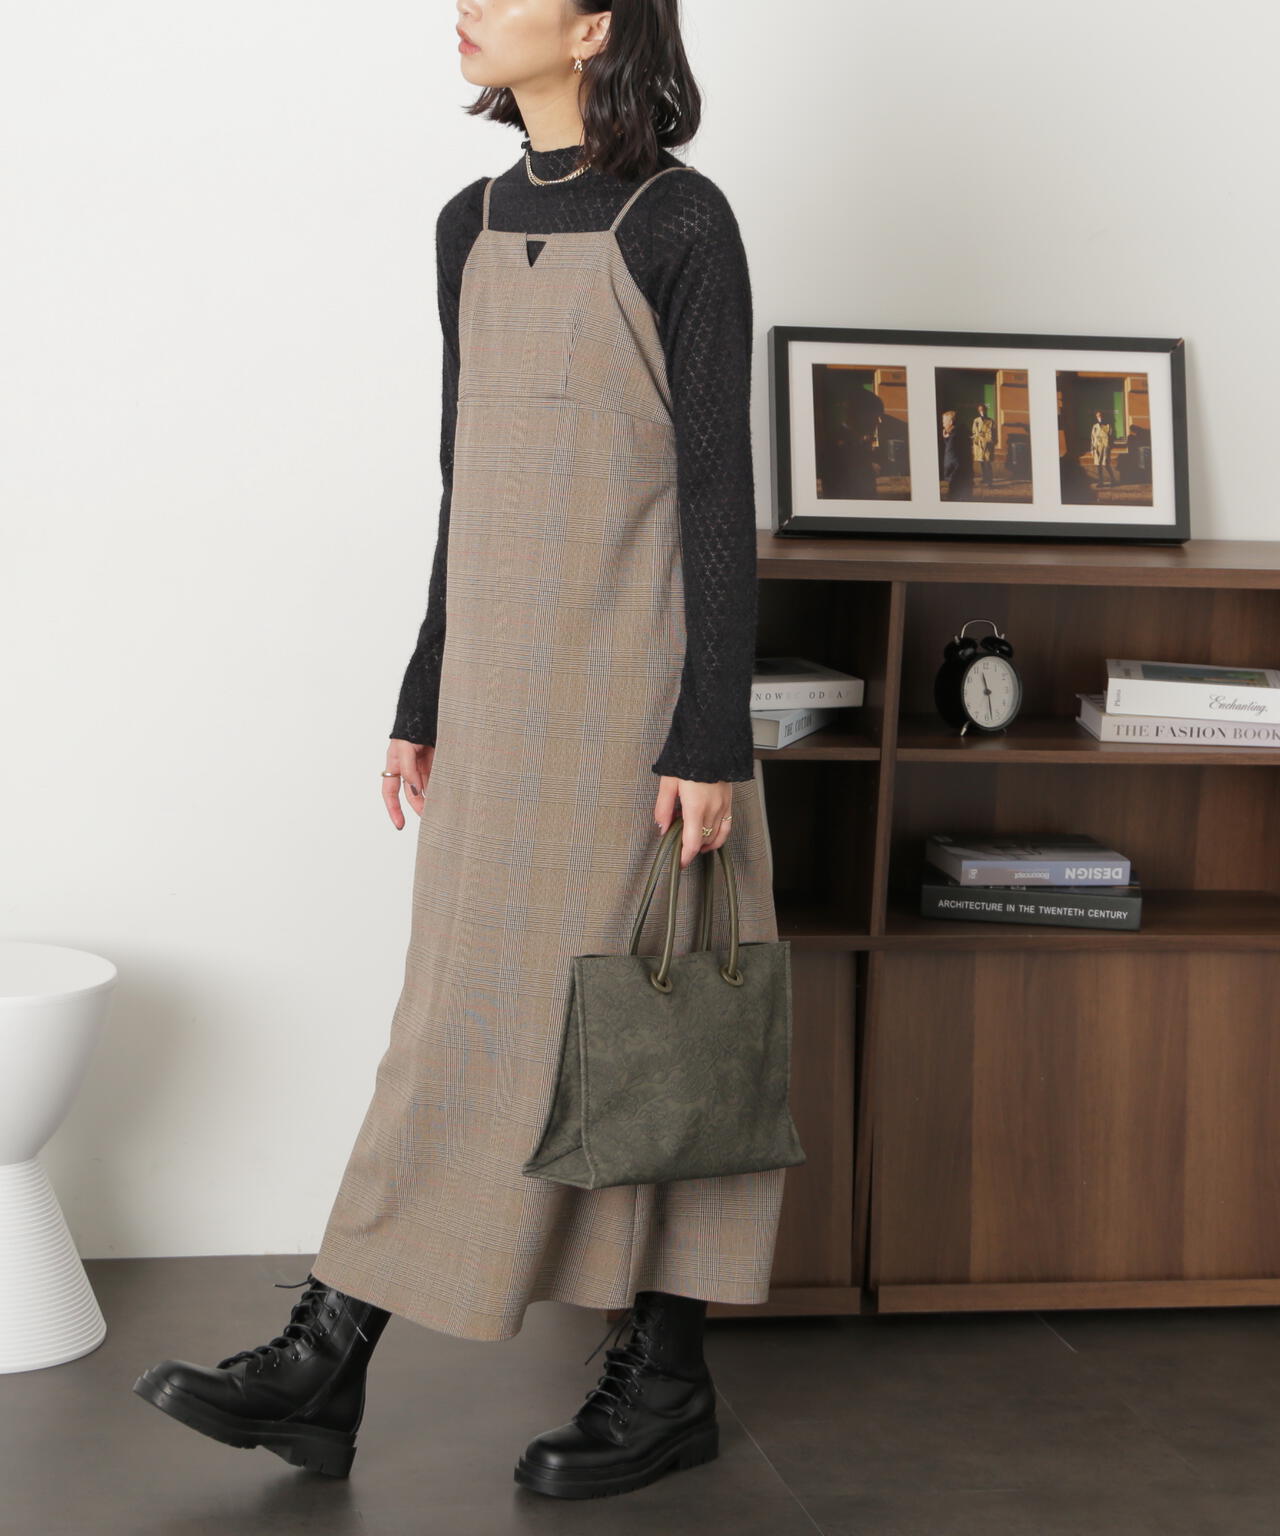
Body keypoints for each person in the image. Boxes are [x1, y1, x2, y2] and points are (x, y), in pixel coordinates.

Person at [131, 0, 786, 1503]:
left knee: (647, 1024)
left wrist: (712, 731)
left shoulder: (683, 222)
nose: (468, 7)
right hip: (499, 696)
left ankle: (652, 1378)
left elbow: (714, 487)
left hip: (640, 696)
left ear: (597, 24)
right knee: (458, 1025)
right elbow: (463, 473)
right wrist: (425, 686)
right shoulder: (468, 224)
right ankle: (334, 1360)